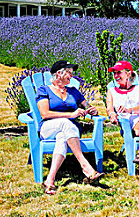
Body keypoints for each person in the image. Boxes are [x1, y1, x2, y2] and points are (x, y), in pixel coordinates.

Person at [35, 60, 104, 194]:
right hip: (48, 128)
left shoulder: (73, 91)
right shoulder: (44, 90)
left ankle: (50, 180)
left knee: (62, 137)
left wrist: (91, 110)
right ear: (59, 73)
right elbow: (44, 114)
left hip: (68, 132)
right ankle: (85, 166)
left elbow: (87, 105)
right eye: (69, 73)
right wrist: (71, 115)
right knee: (66, 122)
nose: (72, 76)